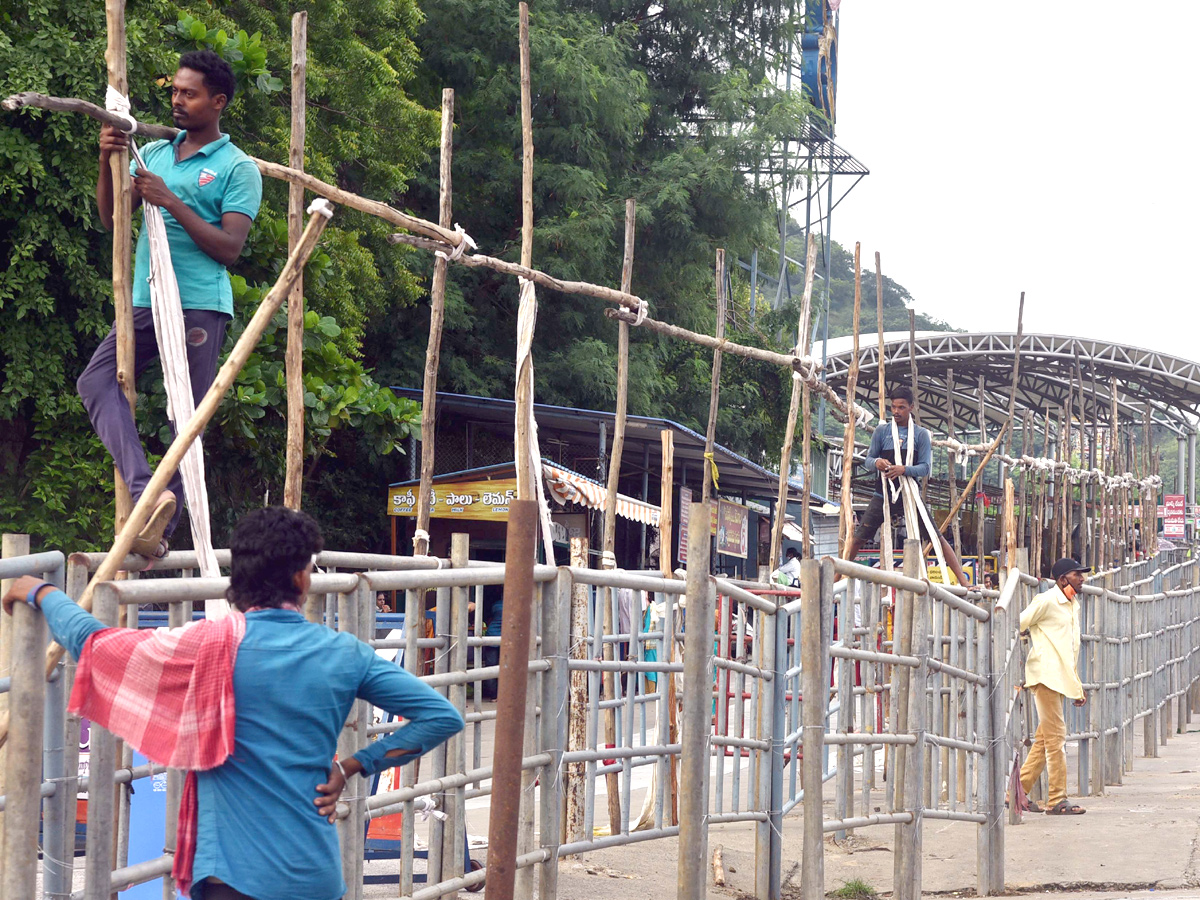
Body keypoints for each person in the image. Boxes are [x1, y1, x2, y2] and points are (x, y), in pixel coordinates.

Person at [3, 507, 463, 900]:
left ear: (237, 577)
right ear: (302, 577)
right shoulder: (345, 653)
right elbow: (441, 716)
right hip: (314, 875)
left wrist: (44, 594)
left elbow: (96, 644)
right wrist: (351, 766)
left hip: (230, 879)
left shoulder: (204, 645)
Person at [78, 49, 263, 560]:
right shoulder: (155, 153)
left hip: (199, 305)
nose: (178, 101)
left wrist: (171, 201)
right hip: (144, 298)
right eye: (175, 91)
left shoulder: (237, 168)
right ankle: (146, 493)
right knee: (94, 382)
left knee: (188, 419)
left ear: (218, 101)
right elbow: (113, 219)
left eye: (190, 93)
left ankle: (159, 524)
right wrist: (105, 158)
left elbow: (229, 248)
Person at [842, 385, 970, 587]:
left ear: (911, 407)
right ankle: (838, 577)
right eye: (893, 407)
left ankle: (964, 581)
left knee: (936, 538)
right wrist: (877, 463)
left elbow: (925, 468)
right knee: (858, 538)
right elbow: (868, 459)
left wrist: (904, 469)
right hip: (882, 493)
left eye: (901, 407)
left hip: (910, 496)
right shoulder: (882, 432)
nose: (896, 412)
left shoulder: (921, 435)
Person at [1018, 557, 1089, 816]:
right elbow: (1019, 623)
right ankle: (1057, 799)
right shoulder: (1046, 601)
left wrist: (1076, 685)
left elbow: (1069, 649)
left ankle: (1015, 792)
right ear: (1062, 580)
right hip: (1045, 675)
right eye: (1076, 575)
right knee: (1056, 737)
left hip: (1059, 677)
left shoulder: (1072, 604)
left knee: (1044, 740)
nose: (1082, 579)